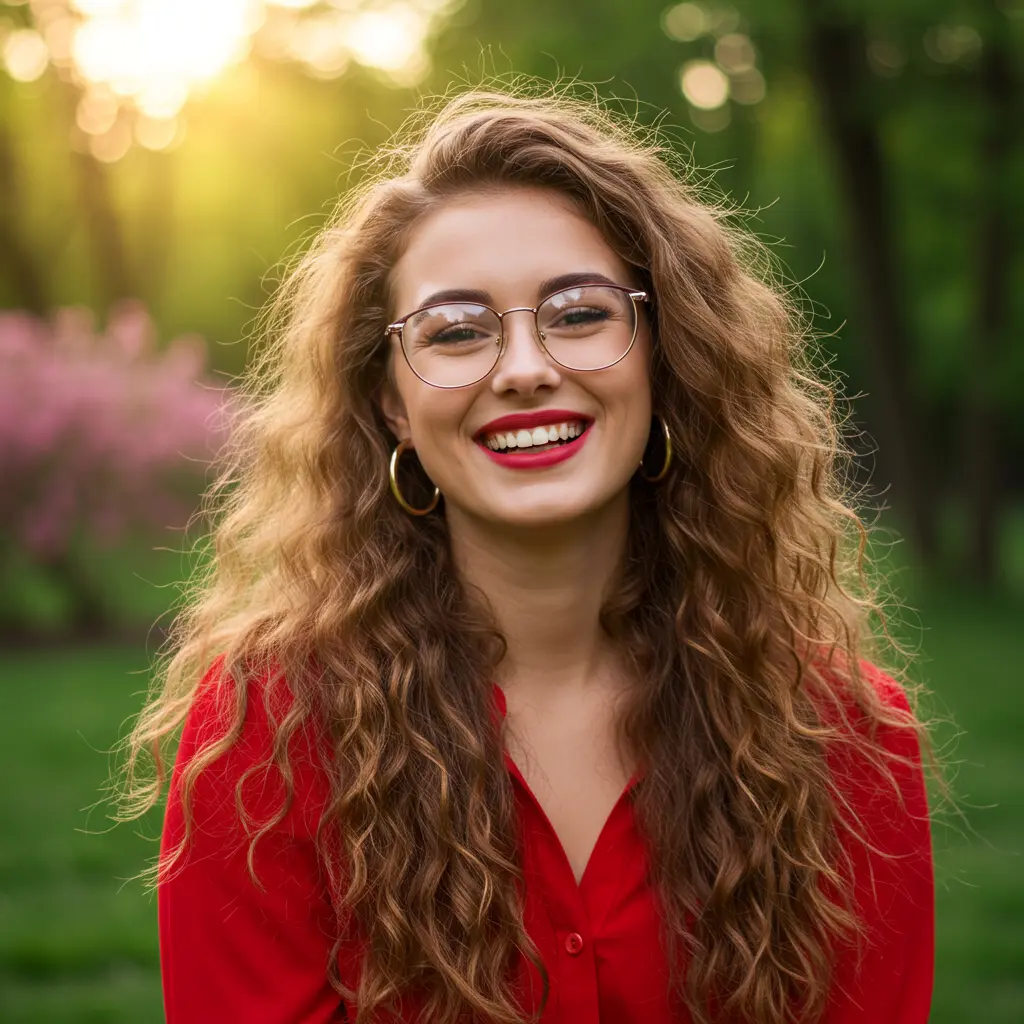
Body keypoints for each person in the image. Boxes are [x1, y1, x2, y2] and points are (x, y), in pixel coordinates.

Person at [122, 86, 936, 1024]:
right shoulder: (267, 734)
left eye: (581, 313)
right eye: (457, 332)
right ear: (391, 404)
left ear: (662, 356)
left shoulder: (846, 739)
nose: (523, 368)